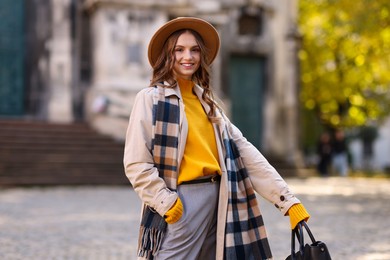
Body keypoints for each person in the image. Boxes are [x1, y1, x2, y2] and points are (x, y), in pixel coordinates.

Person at [123, 17, 310, 260]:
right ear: (167, 54)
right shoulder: (150, 99)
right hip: (182, 202)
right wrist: (165, 201)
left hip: (222, 200)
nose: (187, 56)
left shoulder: (208, 105)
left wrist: (287, 201)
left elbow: (246, 152)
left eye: (194, 50)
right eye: (179, 50)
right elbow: (136, 163)